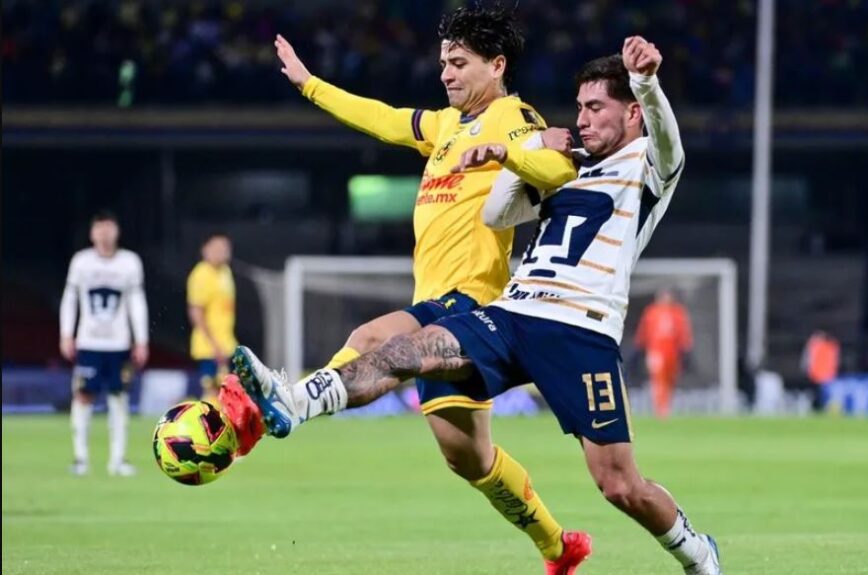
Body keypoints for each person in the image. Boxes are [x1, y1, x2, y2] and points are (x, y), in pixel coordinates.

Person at [231, 37, 721, 574]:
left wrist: (646, 81)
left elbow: (667, 135)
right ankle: (295, 402)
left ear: (630, 113)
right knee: (408, 350)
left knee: (619, 484)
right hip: (513, 313)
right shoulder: (565, 165)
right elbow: (497, 216)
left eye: (596, 107)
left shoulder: (649, 165)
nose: (582, 119)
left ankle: (696, 553)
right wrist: (516, 160)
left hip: (580, 331)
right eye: (579, 107)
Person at [219, 6, 585, 572]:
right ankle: (559, 547)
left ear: (497, 65)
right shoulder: (444, 126)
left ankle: (285, 404)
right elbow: (383, 118)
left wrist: (509, 153)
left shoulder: (513, 116)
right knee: (470, 460)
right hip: (435, 304)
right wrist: (310, 84)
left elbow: (560, 170)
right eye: (443, 63)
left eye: (459, 63)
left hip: (472, 304)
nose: (446, 73)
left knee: (373, 338)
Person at [59, 211, 149, 477]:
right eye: (99, 228)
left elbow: (136, 302)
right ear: (92, 233)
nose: (104, 233)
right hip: (89, 342)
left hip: (119, 343)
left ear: (117, 231)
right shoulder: (82, 261)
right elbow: (70, 298)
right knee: (83, 395)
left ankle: (118, 460)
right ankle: (81, 459)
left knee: (119, 398)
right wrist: (66, 334)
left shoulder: (130, 262)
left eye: (109, 228)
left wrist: (141, 340)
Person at [187, 234, 236, 406]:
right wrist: (214, 345)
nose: (221, 252)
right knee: (211, 391)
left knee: (228, 393)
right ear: (205, 250)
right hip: (209, 347)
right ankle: (206, 422)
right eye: (216, 248)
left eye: (224, 248)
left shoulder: (225, 272)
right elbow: (196, 312)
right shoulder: (201, 274)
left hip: (227, 344)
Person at [635, 288, 693, 418]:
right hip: (656, 351)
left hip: (673, 353)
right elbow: (643, 331)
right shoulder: (651, 312)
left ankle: (666, 405)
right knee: (658, 379)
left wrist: (686, 349)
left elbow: (683, 332)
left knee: (670, 380)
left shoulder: (678, 312)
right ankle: (660, 408)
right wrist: (640, 347)